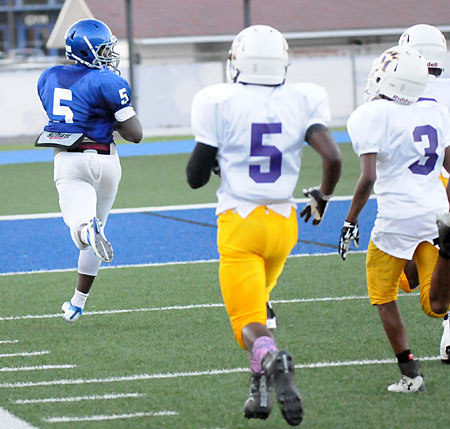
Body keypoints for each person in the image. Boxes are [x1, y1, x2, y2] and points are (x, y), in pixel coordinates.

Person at [186, 25, 342, 424]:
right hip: (284, 223)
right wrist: (322, 196)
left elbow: (195, 177)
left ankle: (272, 360)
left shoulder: (218, 100)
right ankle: (258, 393)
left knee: (247, 326)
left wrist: (217, 155)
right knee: (262, 309)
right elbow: (333, 158)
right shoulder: (303, 98)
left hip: (241, 223)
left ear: (238, 61)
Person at [339, 45, 450, 392]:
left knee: (383, 295)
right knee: (435, 304)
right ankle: (447, 252)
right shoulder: (434, 108)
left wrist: (350, 220)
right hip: (434, 213)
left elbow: (368, 177)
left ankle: (410, 374)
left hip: (396, 220)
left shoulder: (370, 115)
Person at [37, 19, 143, 323]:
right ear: (89, 50)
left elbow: (64, 118)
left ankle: (86, 230)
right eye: (104, 49)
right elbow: (135, 135)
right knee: (98, 227)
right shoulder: (109, 82)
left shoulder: (48, 77)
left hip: (70, 159)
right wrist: (113, 115)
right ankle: (77, 303)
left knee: (81, 227)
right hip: (107, 160)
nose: (110, 54)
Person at [397, 24, 450, 363]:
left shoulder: (402, 91)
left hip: (420, 191)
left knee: (404, 280)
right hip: (438, 184)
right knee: (413, 277)